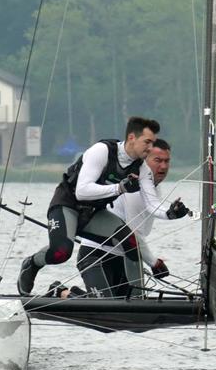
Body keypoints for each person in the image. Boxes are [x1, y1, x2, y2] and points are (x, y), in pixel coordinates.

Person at [17, 117, 190, 296]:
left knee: (129, 241)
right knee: (61, 253)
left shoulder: (142, 169)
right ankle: (31, 263)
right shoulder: (102, 151)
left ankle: (138, 298)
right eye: (147, 142)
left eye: (152, 142)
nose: (149, 147)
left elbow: (152, 205)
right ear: (132, 138)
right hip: (67, 205)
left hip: (93, 213)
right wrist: (120, 187)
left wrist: (171, 213)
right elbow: (82, 191)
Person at [75, 138, 179, 297]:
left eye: (167, 161)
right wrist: (154, 262)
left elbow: (141, 232)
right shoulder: (135, 188)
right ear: (143, 160)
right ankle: (61, 292)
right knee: (105, 309)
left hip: (125, 257)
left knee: (131, 306)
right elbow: (133, 234)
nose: (163, 167)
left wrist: (172, 213)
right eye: (158, 160)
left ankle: (75, 293)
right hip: (96, 255)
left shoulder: (153, 189)